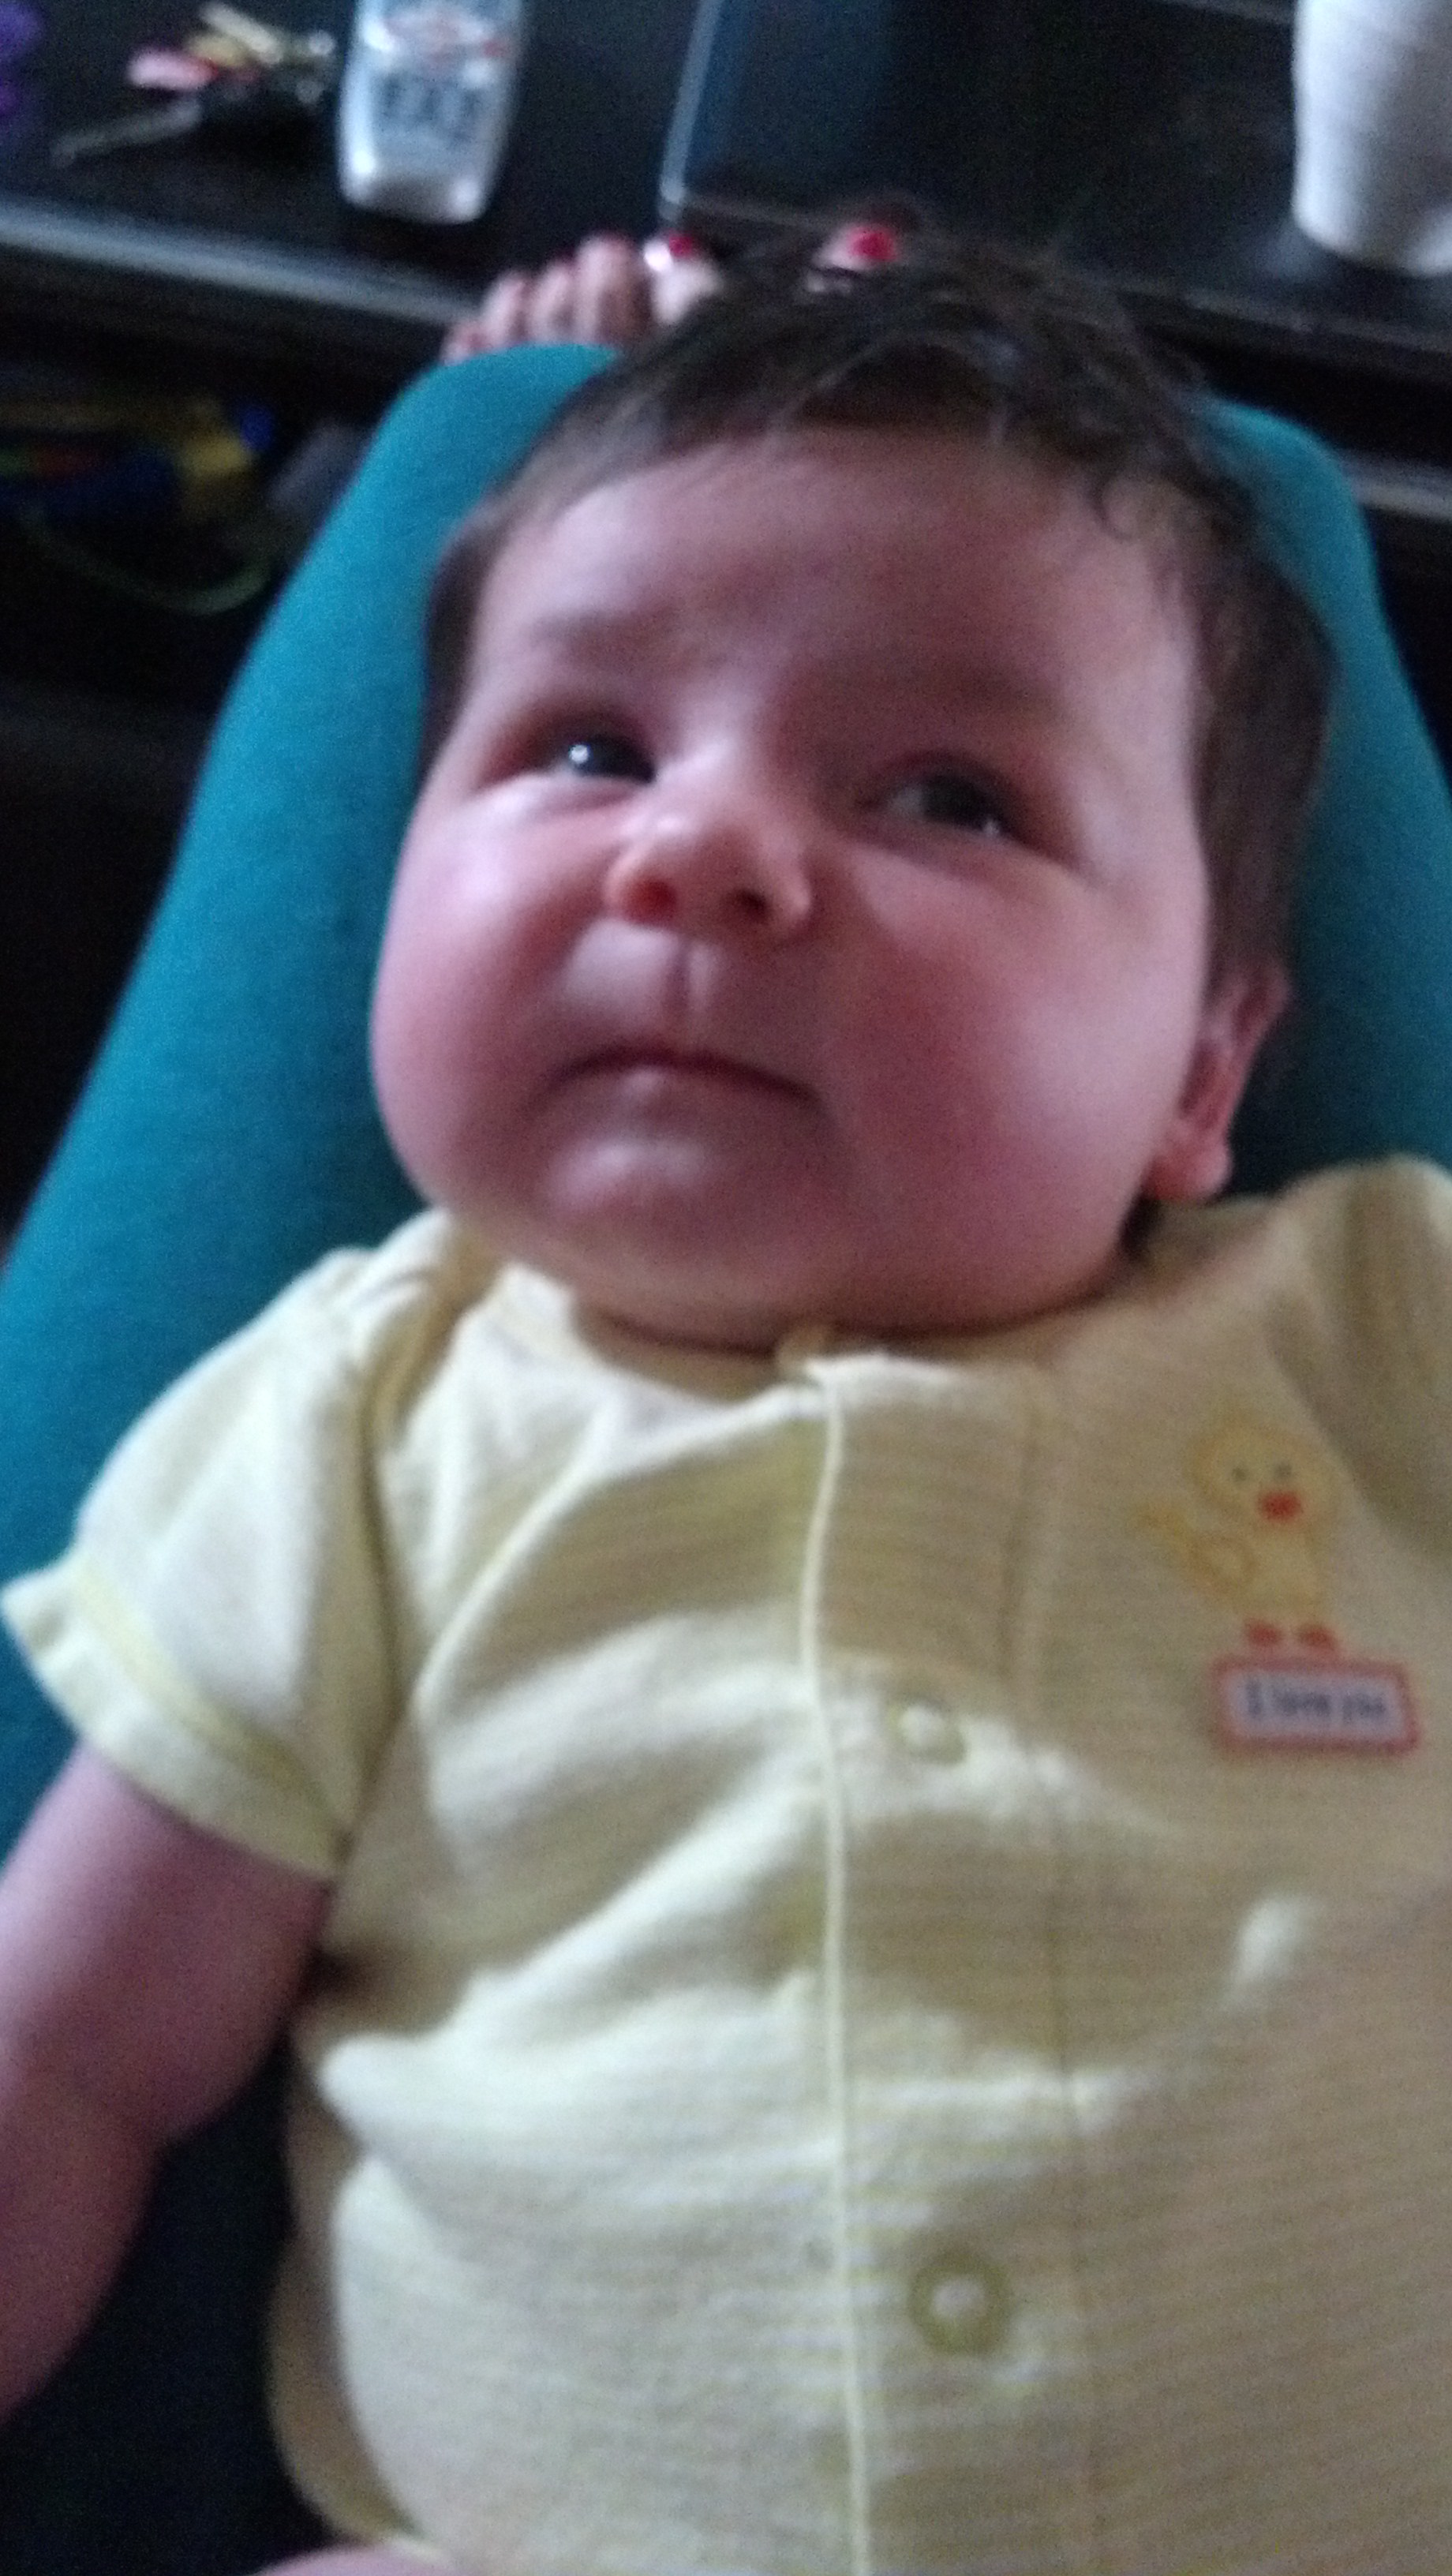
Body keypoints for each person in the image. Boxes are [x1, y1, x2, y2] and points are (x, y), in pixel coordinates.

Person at [0, 218, 1447, 2576]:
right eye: (588, 749)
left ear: (1205, 1069)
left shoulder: (1378, 1321)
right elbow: (65, 2047)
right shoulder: (353, 1422)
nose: (703, 852)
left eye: (950, 798)